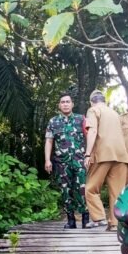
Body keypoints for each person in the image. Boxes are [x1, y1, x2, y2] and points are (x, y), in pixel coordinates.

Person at [83, 90, 128, 230]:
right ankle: (116, 224)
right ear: (104, 101)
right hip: (121, 154)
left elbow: (93, 131)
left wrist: (87, 153)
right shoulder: (115, 113)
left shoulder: (93, 110)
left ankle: (99, 217)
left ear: (91, 101)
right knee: (117, 191)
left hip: (103, 153)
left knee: (90, 188)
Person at [44, 92, 89, 229]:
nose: (65, 104)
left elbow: (90, 137)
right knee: (65, 190)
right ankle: (71, 221)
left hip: (79, 161)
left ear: (72, 104)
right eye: (62, 102)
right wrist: (47, 160)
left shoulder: (81, 119)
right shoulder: (53, 121)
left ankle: (86, 220)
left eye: (67, 102)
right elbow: (49, 141)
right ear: (59, 105)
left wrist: (89, 155)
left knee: (82, 189)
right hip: (62, 162)